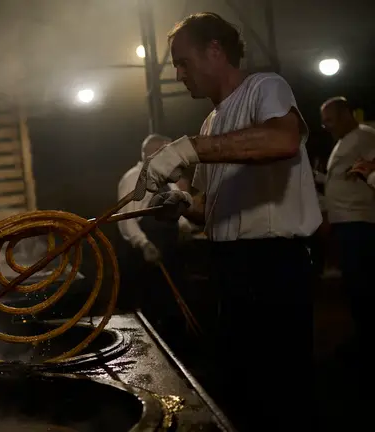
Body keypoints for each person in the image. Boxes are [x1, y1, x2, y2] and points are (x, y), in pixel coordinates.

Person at [139, 12, 322, 430]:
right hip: (229, 264)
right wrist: (180, 201)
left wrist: (186, 150)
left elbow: (283, 138)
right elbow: (210, 205)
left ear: (216, 51)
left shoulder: (265, 87)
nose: (179, 73)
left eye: (184, 62)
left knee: (282, 388)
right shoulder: (211, 120)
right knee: (243, 384)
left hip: (272, 263)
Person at [116, 134, 192, 334]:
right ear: (154, 153)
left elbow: (176, 207)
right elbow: (126, 219)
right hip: (145, 255)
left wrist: (183, 225)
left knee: (171, 303)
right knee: (149, 305)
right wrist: (144, 244)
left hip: (169, 251)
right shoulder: (134, 178)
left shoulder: (168, 178)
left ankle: (176, 348)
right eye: (168, 151)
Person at [318, 97, 375, 355]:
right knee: (354, 283)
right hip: (346, 222)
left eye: (329, 120)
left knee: (362, 283)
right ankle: (361, 335)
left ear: (346, 115)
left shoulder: (364, 136)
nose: (326, 126)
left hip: (359, 222)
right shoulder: (344, 141)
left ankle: (366, 341)